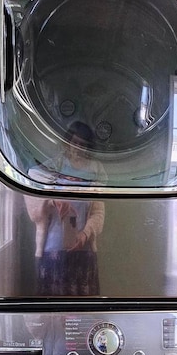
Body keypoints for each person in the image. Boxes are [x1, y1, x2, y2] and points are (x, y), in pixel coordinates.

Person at [25, 122, 105, 296]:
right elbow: (35, 205)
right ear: (67, 142)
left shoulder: (96, 171)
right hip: (52, 248)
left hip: (83, 250)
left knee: (82, 310)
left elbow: (98, 213)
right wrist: (52, 202)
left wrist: (85, 235)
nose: (77, 148)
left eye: (83, 145)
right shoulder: (53, 167)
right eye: (74, 142)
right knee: (53, 308)